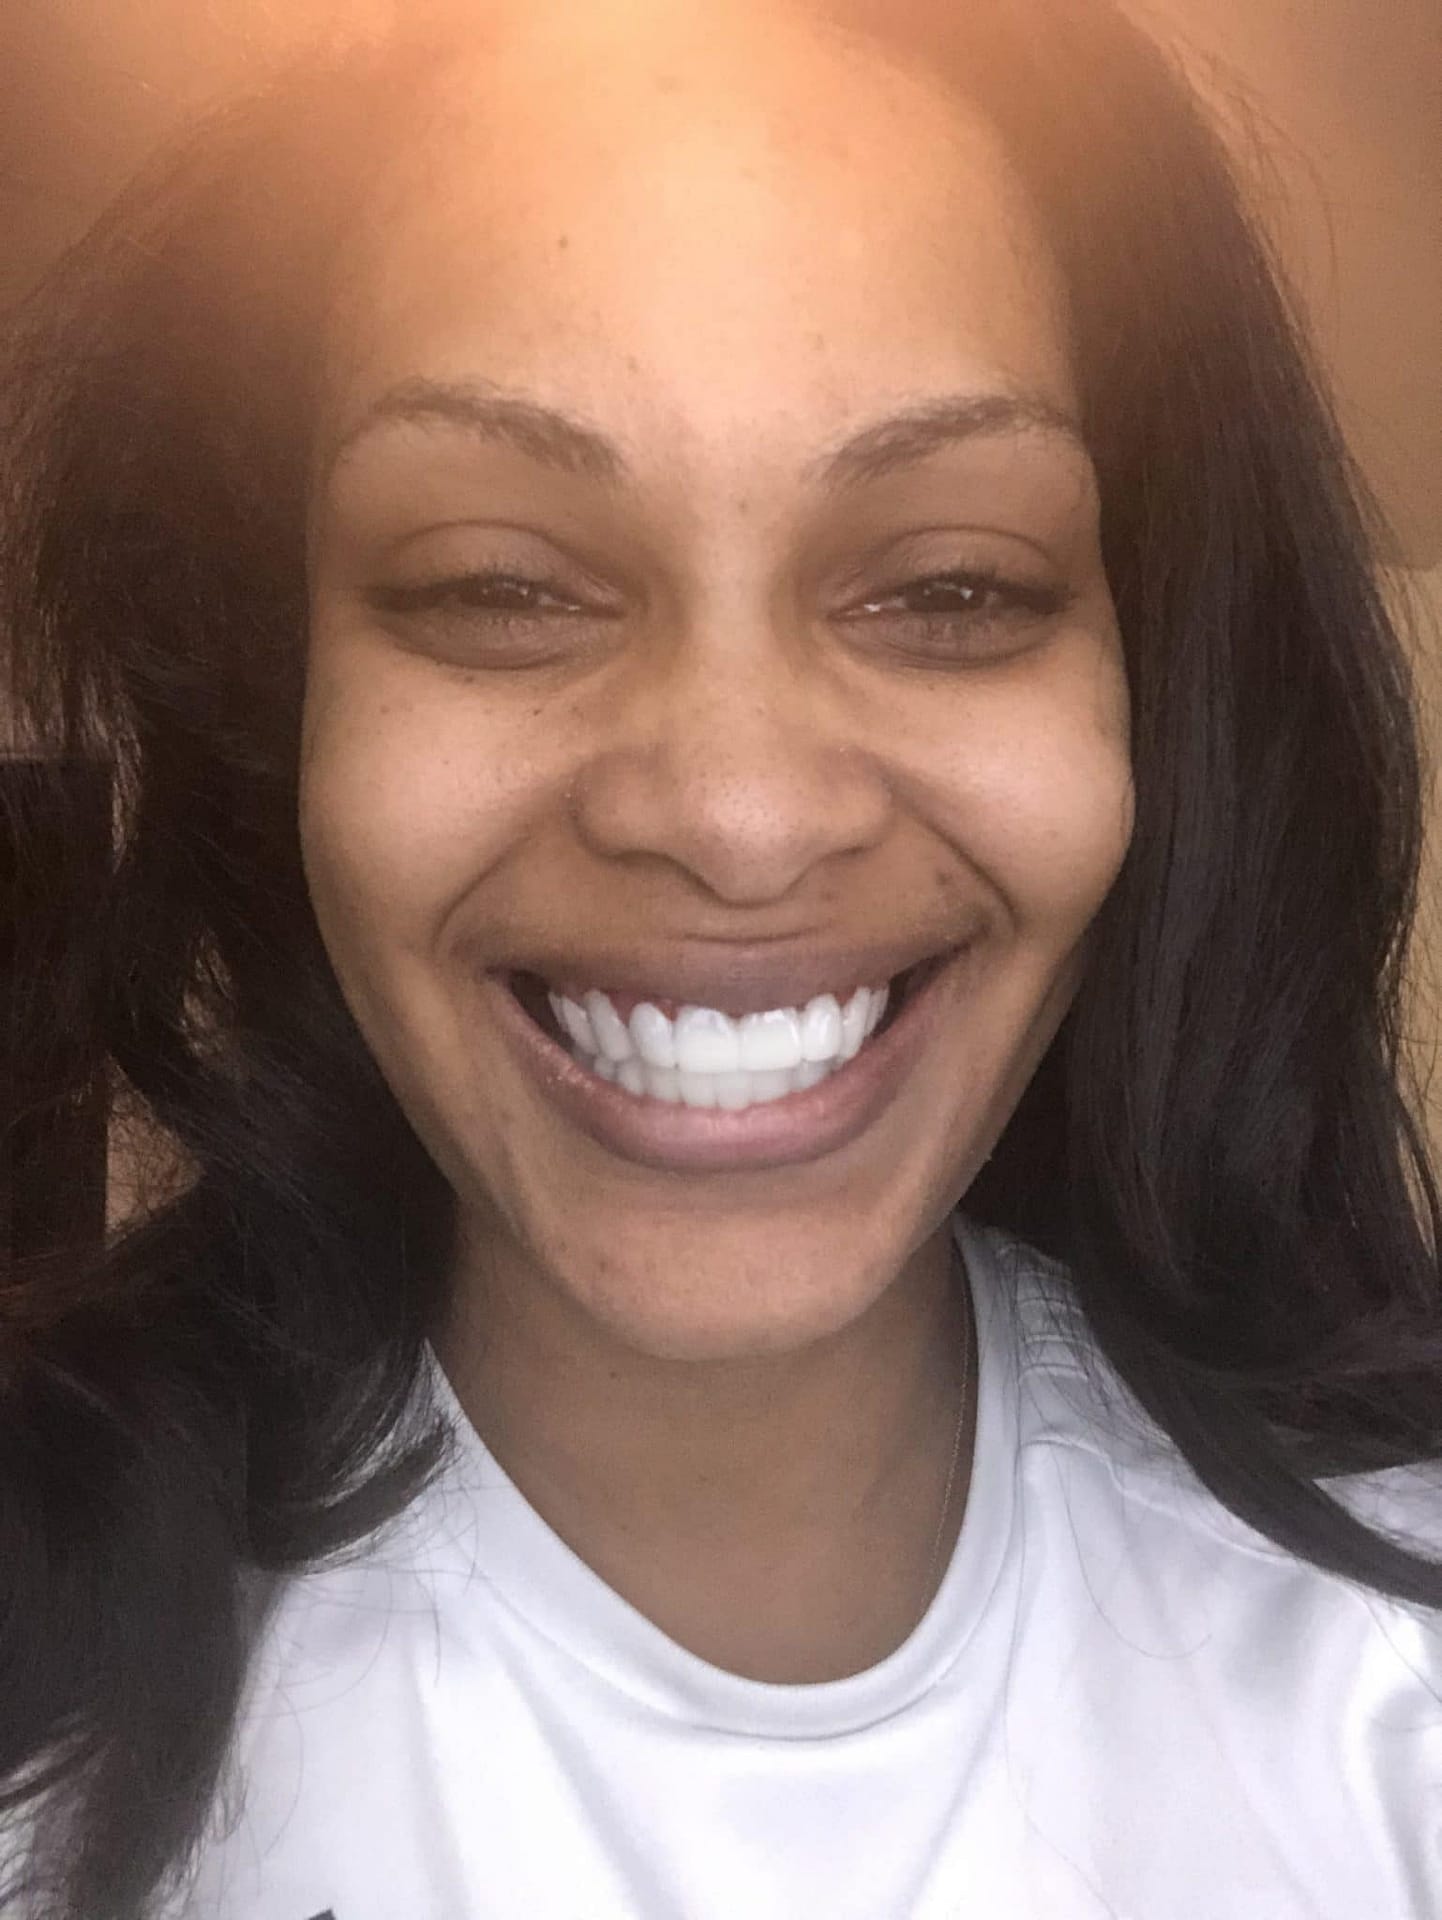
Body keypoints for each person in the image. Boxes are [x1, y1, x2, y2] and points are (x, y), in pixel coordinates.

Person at [1, 0, 1439, 1913]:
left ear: (1152, 704)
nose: (739, 815)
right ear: (286, 717)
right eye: (496, 585)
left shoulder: (1392, 1662)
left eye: (953, 587)